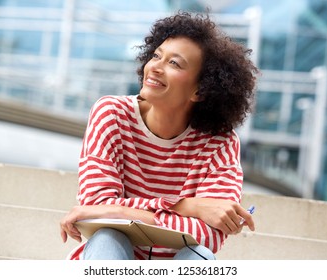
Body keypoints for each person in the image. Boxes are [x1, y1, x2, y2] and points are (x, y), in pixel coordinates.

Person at [60, 11, 258, 260]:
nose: (154, 67)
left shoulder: (220, 143)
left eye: (174, 63)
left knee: (198, 258)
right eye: (156, 56)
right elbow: (98, 208)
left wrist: (121, 211)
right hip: (109, 258)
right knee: (108, 238)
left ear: (200, 90)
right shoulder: (111, 114)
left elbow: (210, 235)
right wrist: (188, 206)